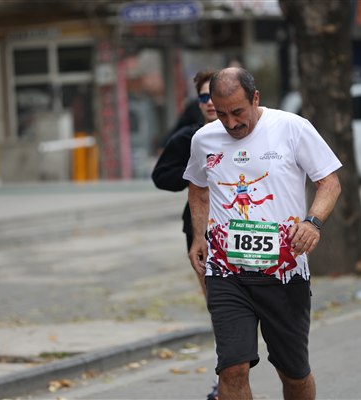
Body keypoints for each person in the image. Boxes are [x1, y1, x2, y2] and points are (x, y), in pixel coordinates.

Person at [183, 67, 342, 400]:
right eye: (222, 114)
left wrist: (312, 222)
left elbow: (329, 183)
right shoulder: (204, 139)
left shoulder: (292, 128)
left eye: (238, 112)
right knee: (232, 369)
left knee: (293, 374)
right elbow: (197, 188)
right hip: (227, 273)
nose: (230, 123)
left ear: (255, 98)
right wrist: (199, 236)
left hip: (283, 272)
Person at [151, 69, 219, 400]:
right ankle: (225, 380)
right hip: (201, 231)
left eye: (215, 95)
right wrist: (196, 173)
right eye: (204, 97)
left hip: (248, 229)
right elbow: (161, 176)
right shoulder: (190, 138)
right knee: (220, 307)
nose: (210, 103)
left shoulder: (249, 134)